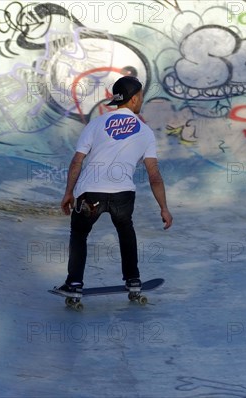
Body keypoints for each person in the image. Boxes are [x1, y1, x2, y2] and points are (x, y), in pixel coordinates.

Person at [56, 75, 173, 297]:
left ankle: (74, 283)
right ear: (133, 99)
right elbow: (154, 175)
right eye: (140, 97)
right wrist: (164, 208)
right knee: (125, 230)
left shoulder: (96, 123)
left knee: (79, 233)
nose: (141, 101)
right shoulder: (145, 132)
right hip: (123, 195)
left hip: (90, 192)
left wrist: (68, 192)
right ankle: (133, 279)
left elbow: (77, 161)